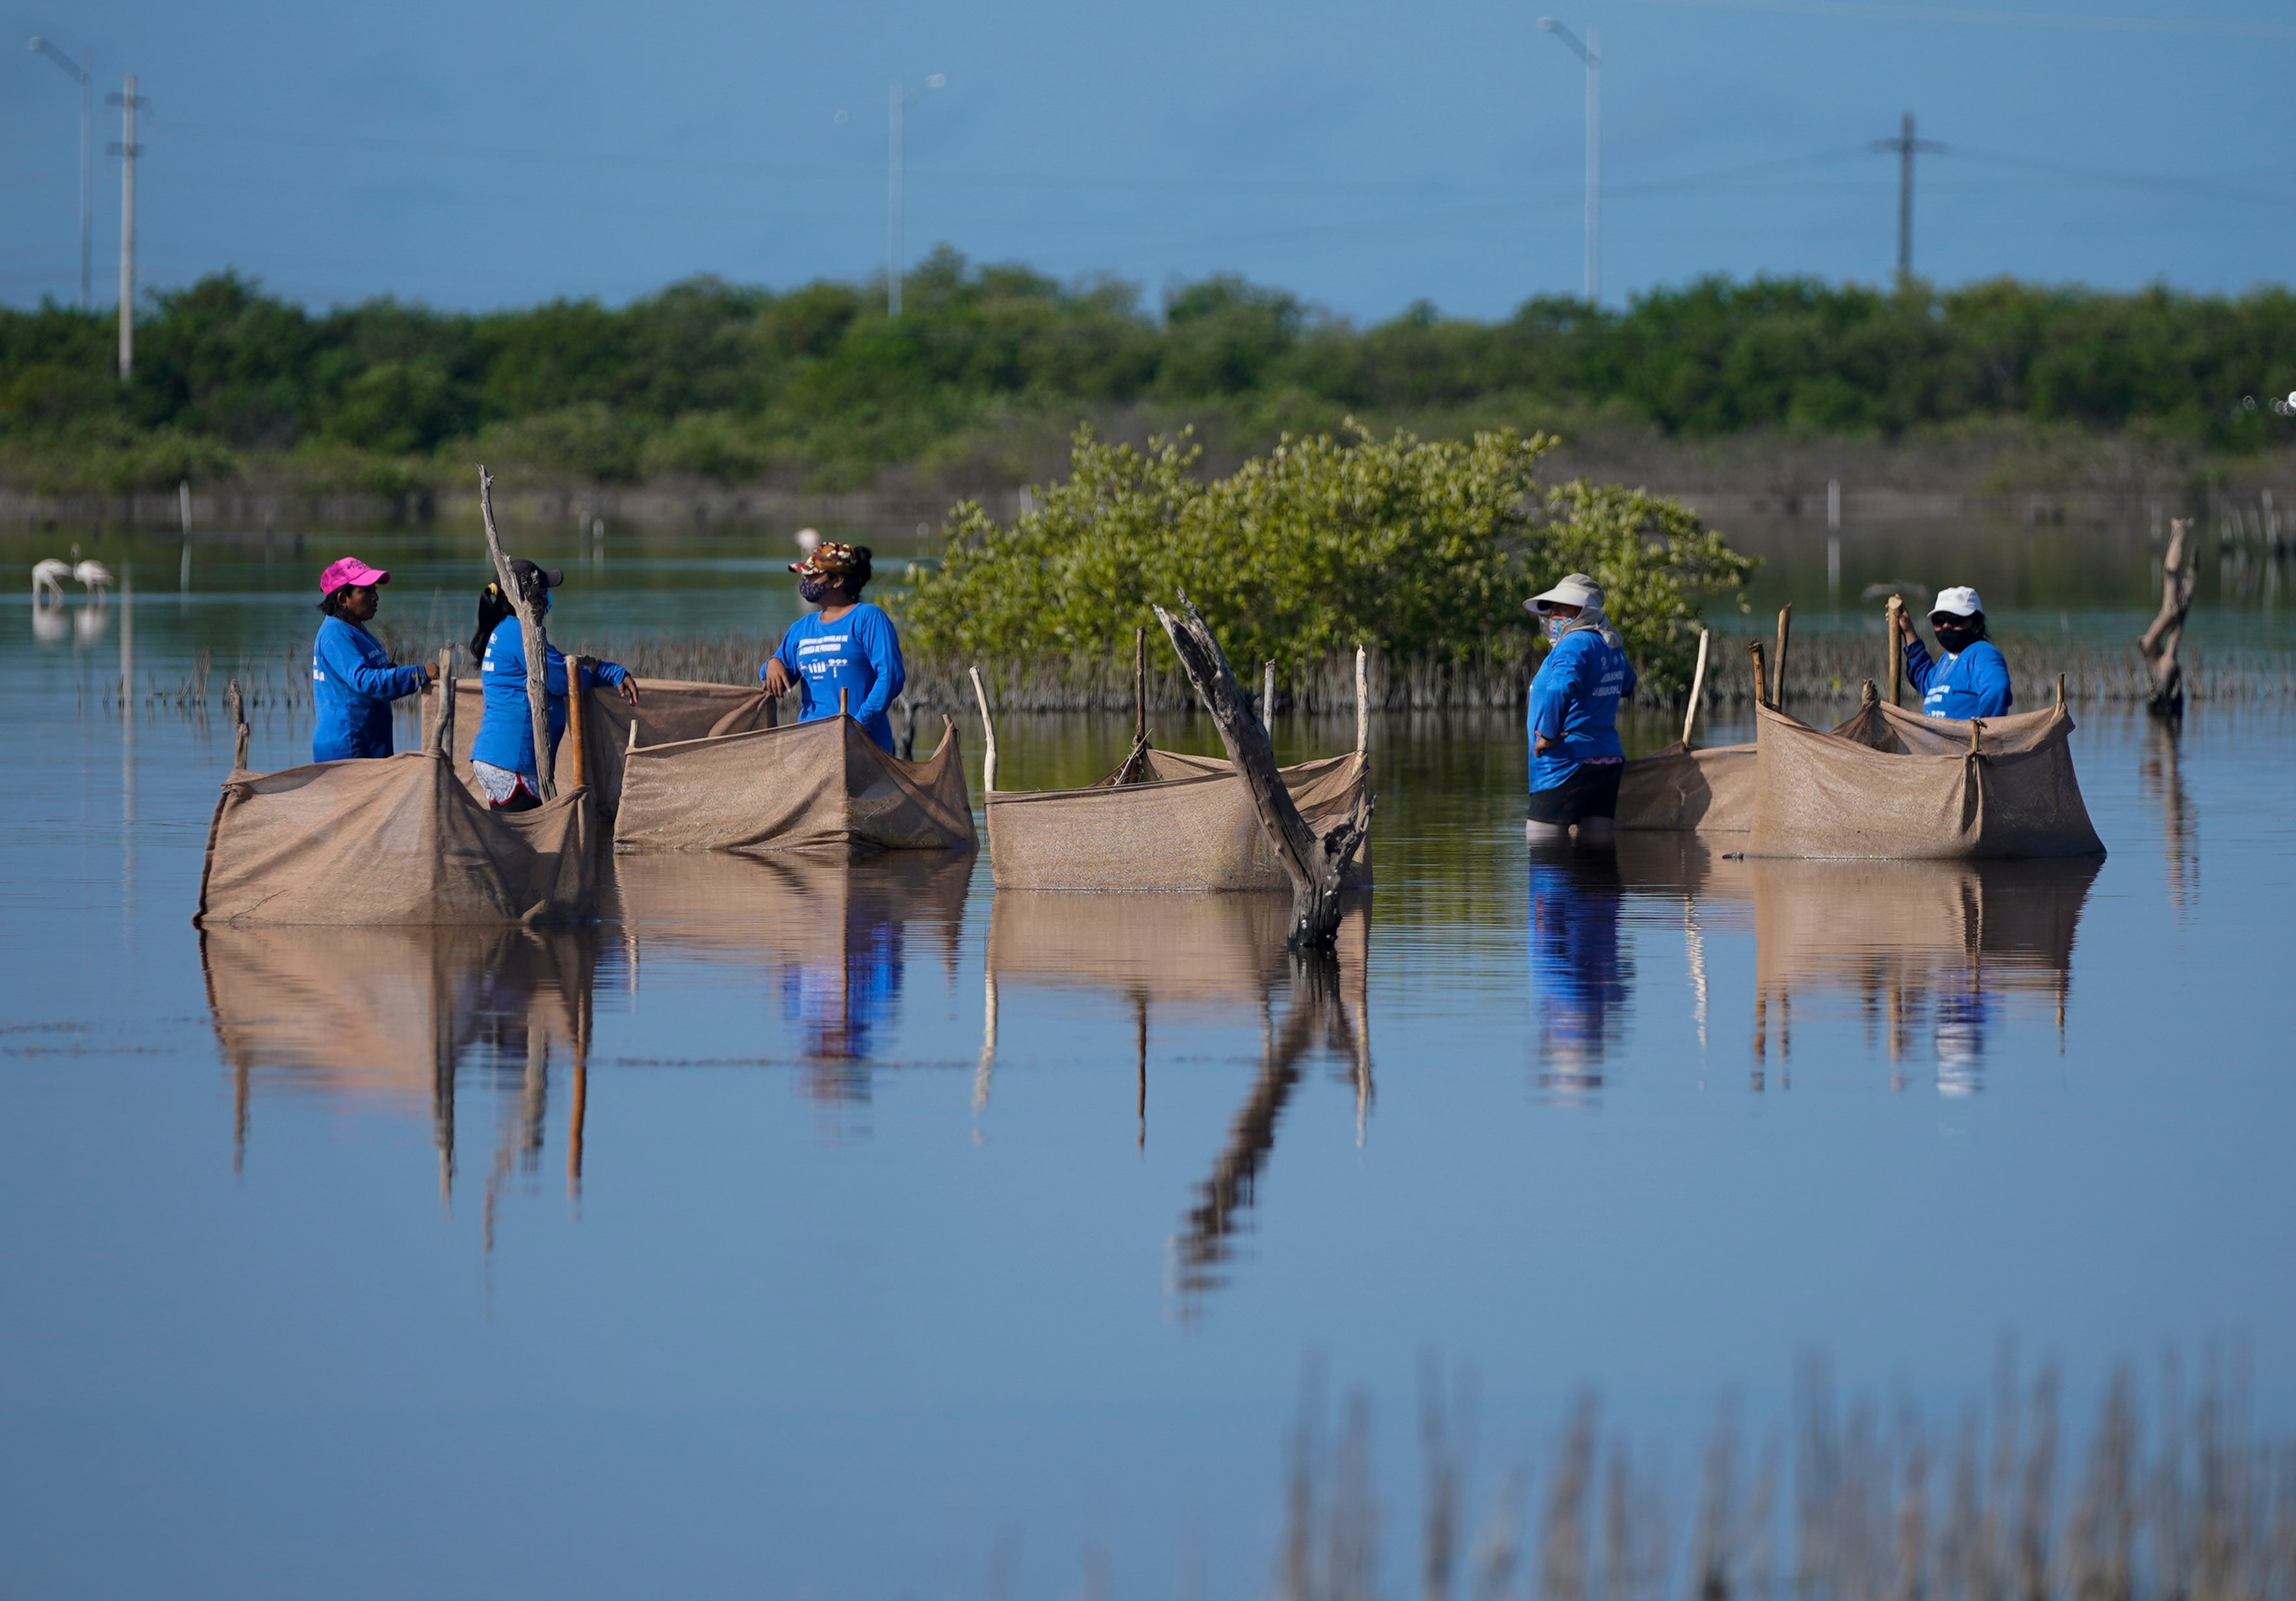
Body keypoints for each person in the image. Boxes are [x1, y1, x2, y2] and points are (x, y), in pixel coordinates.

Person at [468, 559, 638, 810]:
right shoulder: (520, 634)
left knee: (514, 842)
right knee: (527, 844)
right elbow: (564, 679)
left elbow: (556, 666)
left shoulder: (506, 630)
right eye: (544, 590)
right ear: (529, 598)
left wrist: (604, 672)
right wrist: (603, 670)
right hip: (513, 761)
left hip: (498, 757)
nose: (548, 597)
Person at [1523, 572, 1637, 848]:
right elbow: (1628, 684)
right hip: (1607, 761)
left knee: (1543, 848)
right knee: (1598, 852)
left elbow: (1559, 689)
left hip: (1565, 761)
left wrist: (1548, 734)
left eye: (1563, 608)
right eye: (1553, 609)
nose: (1554, 615)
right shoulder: (1610, 643)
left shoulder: (1573, 644)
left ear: (1585, 611)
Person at [761, 541, 906, 754]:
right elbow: (775, 675)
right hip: (811, 747)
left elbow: (891, 677)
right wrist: (772, 664)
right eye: (805, 575)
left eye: (813, 576)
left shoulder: (867, 618)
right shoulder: (802, 628)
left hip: (864, 747)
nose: (805, 581)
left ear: (838, 580)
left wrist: (858, 726)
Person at [311, 556, 435, 763]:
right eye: (366, 591)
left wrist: (389, 672)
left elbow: (369, 676)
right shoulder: (335, 635)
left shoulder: (356, 629)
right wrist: (418, 674)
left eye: (375, 590)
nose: (375, 597)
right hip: (349, 749)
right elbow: (364, 681)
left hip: (369, 744)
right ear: (343, 599)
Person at [1896, 585, 2012, 719]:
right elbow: (1925, 679)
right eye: (1939, 620)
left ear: (1977, 624)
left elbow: (1997, 689)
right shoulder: (1948, 659)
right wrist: (1908, 630)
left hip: (1969, 740)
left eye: (1955, 620)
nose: (1946, 626)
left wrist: (1983, 731)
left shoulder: (1982, 654)